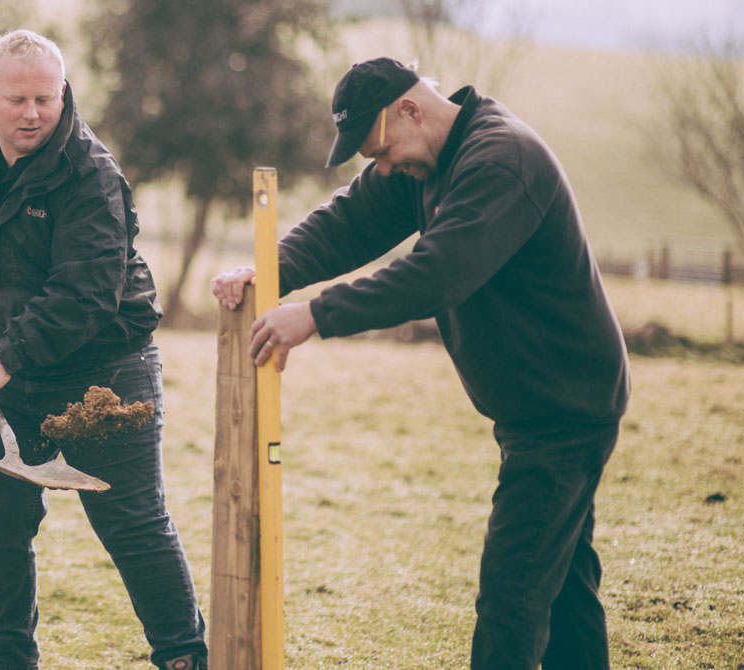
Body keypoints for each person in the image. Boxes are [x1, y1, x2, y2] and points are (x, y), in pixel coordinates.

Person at [210, 58, 630, 669]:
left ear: (411, 108)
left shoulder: (500, 161)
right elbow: (348, 223)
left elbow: (438, 272)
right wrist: (269, 272)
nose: (382, 170)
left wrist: (317, 314)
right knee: (562, 589)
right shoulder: (426, 156)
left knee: (511, 597)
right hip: (537, 408)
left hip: (564, 413)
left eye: (380, 153)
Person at [0, 29, 208, 670]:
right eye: (16, 100)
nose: (32, 113)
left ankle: (184, 657)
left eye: (46, 98)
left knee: (133, 526)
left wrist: (3, 358)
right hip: (5, 361)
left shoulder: (90, 172)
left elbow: (86, 293)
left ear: (63, 94)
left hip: (103, 370)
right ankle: (8, 662)